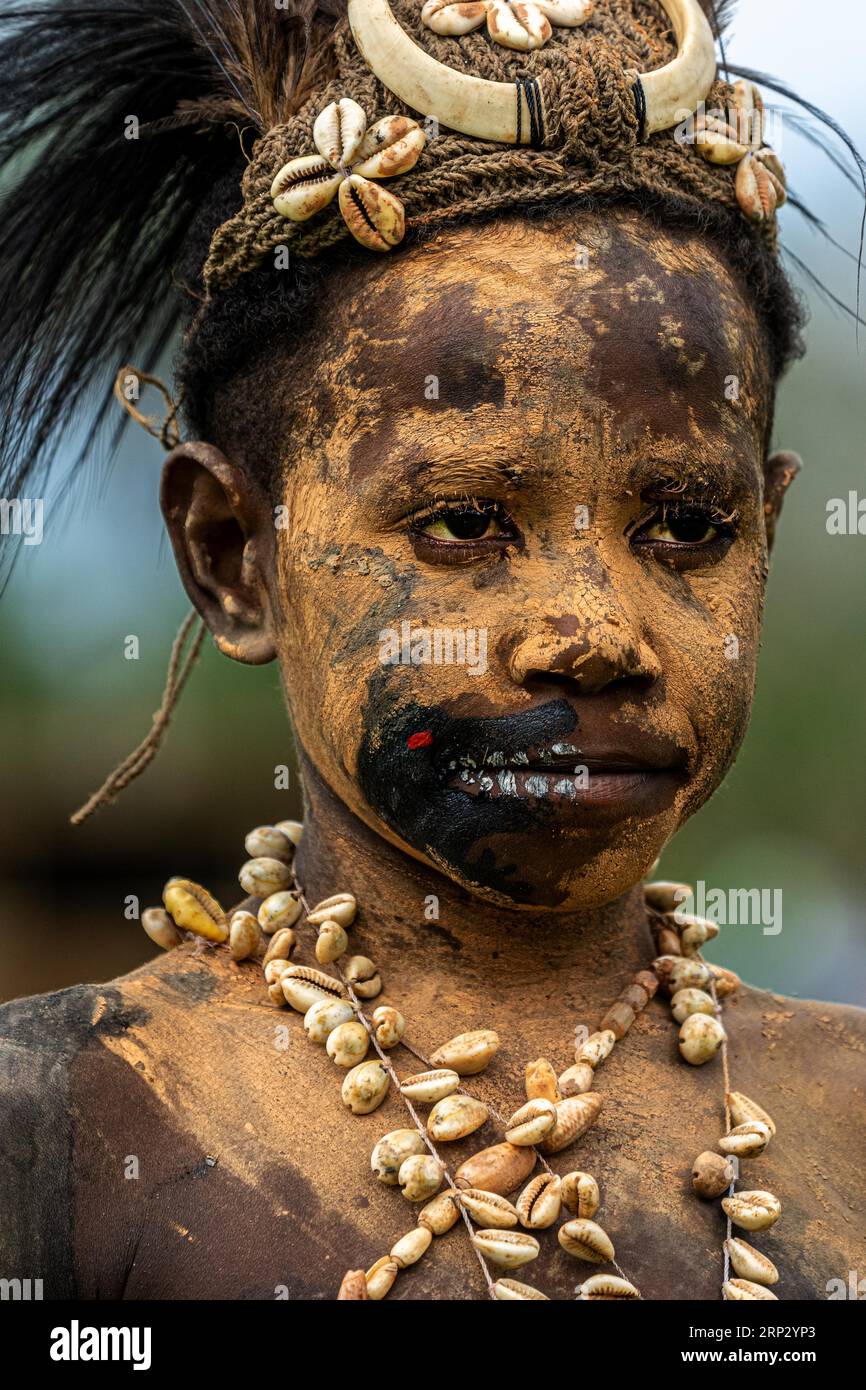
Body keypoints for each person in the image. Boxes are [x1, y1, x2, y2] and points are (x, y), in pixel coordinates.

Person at [0, 0, 863, 1301]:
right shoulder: (66, 1125)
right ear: (234, 554)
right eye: (464, 522)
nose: (596, 633)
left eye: (686, 524)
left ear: (771, 529)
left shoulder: (845, 1115)